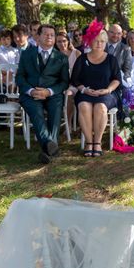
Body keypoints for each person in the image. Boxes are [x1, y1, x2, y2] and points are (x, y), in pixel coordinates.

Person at [16, 24, 69, 165]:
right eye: (46, 34)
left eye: (52, 34)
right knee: (36, 112)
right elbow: (20, 77)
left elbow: (64, 82)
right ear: (38, 36)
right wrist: (31, 91)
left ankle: (47, 150)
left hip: (52, 94)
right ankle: (51, 145)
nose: (49, 37)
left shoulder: (61, 58)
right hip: (30, 93)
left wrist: (48, 92)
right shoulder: (27, 54)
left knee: (55, 111)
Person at [71, 24, 122, 158]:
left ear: (105, 42)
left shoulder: (111, 59)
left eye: (102, 41)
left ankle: (97, 142)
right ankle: (89, 142)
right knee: (83, 106)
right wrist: (84, 89)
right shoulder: (82, 59)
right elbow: (75, 80)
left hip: (106, 94)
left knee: (100, 107)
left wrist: (107, 90)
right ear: (90, 41)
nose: (99, 44)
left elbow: (117, 79)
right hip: (86, 93)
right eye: (96, 41)